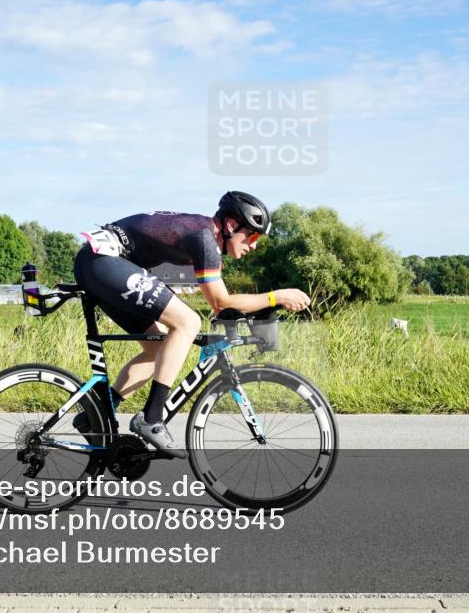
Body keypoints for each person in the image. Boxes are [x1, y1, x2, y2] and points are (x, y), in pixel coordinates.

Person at [71, 191, 311, 458]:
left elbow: (223, 303)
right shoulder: (204, 237)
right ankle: (151, 419)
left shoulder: (203, 233)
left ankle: (96, 415)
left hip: (102, 263)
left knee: (158, 349)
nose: (254, 245)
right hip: (103, 262)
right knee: (188, 322)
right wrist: (275, 296)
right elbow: (221, 303)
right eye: (252, 236)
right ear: (232, 225)